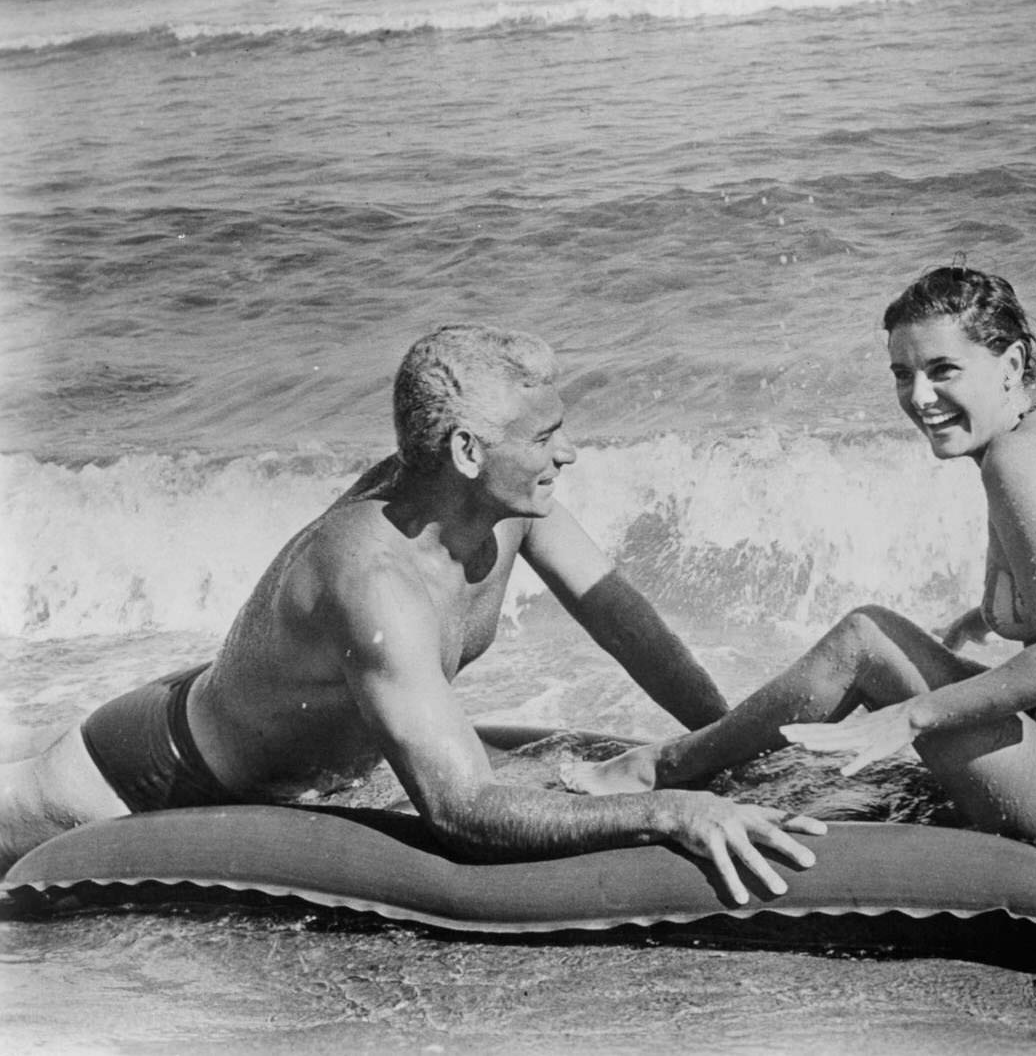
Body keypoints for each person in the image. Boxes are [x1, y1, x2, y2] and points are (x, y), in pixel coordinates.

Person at [0, 324, 825, 900]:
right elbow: (462, 809)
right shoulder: (374, 577)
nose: (567, 452)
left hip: (246, 712)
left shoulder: (500, 506)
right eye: (545, 436)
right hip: (149, 777)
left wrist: (727, 740)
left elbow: (622, 620)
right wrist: (669, 811)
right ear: (467, 451)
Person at [566, 267, 1036, 855]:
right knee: (873, 637)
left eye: (943, 370)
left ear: (1010, 363)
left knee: (865, 640)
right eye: (903, 373)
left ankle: (664, 767)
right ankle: (696, 755)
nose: (920, 396)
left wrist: (905, 715)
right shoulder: (1032, 436)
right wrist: (974, 624)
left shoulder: (1018, 464)